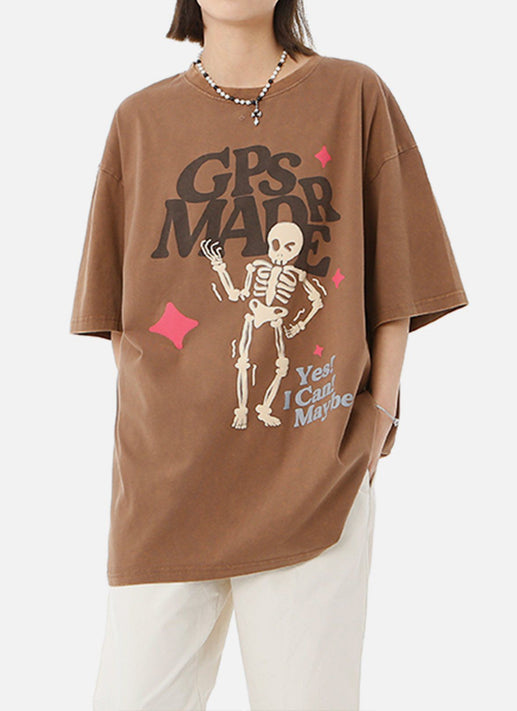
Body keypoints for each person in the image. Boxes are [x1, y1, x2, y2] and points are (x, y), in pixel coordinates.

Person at [69, 1, 469, 709]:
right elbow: (115, 312)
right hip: (167, 489)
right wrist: (163, 426)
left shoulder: (352, 95)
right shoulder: (140, 120)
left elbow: (400, 276)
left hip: (311, 477)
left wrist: (378, 413)